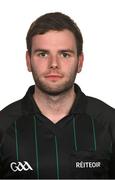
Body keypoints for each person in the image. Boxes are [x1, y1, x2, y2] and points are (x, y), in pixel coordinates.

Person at [0, 12, 115, 179]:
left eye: (65, 54)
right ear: (28, 60)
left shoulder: (110, 124)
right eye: (43, 54)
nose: (53, 64)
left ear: (80, 62)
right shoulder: (3, 126)